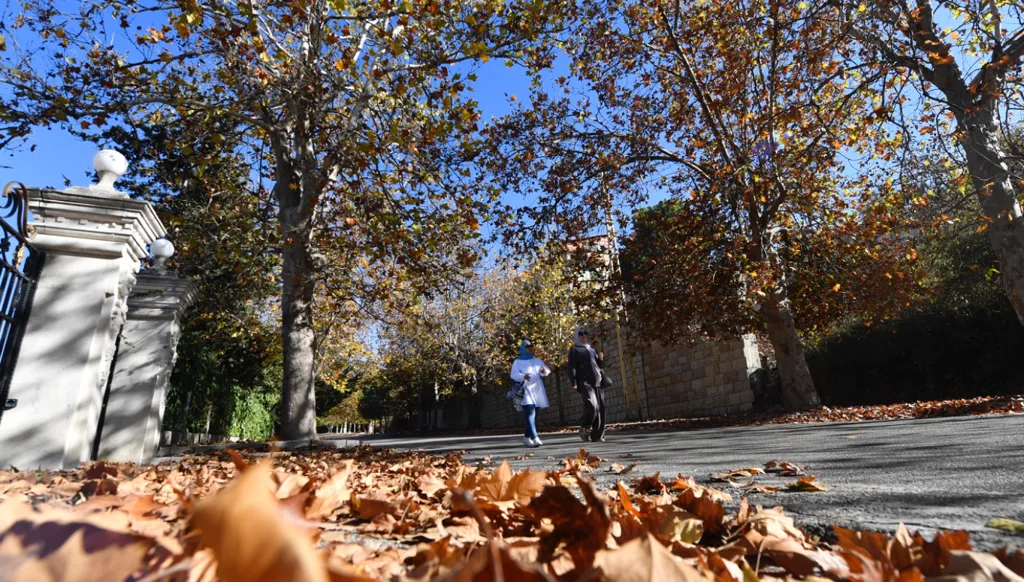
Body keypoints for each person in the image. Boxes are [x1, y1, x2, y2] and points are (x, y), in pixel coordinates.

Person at [510, 339, 551, 448]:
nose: (530, 348)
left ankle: (526, 437)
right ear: (523, 348)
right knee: (529, 412)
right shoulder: (517, 362)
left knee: (535, 413)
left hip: (537, 389)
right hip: (525, 389)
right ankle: (535, 437)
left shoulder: (537, 360)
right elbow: (513, 374)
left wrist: (544, 372)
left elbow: (546, 370)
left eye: (532, 346)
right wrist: (523, 376)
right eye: (528, 346)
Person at [568, 327, 606, 442]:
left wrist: (600, 359)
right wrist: (573, 382)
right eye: (581, 334)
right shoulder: (574, 349)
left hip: (597, 379)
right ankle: (584, 426)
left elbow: (598, 365)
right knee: (592, 405)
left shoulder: (591, 348)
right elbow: (572, 367)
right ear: (576, 335)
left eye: (586, 333)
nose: (584, 335)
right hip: (584, 381)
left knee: (600, 408)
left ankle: (597, 435)